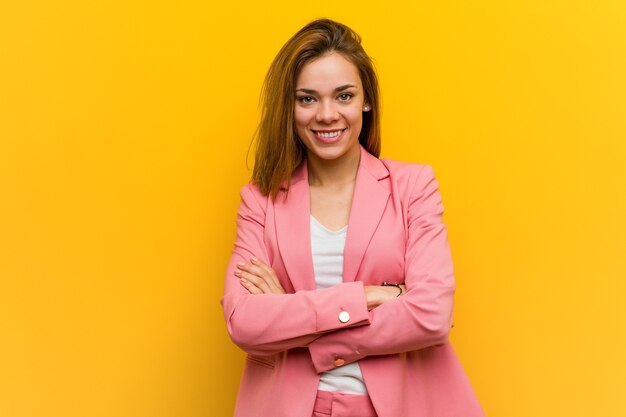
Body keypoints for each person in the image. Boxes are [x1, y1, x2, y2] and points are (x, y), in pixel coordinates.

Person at [221, 18, 485, 417]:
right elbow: (243, 322)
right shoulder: (260, 201)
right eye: (307, 99)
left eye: (343, 96)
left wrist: (296, 320)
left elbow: (431, 315)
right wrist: (367, 296)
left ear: (365, 101)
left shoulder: (413, 186)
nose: (327, 114)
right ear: (289, 107)